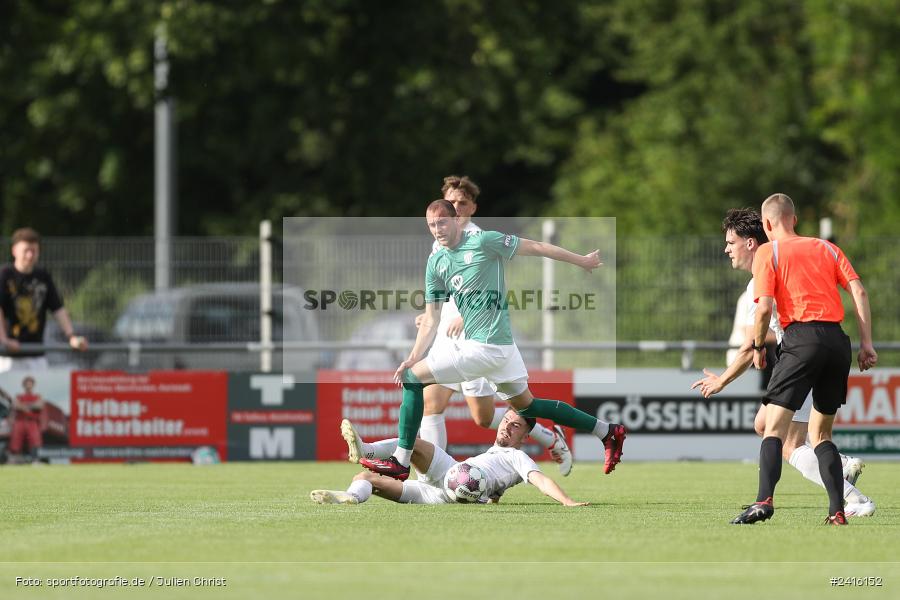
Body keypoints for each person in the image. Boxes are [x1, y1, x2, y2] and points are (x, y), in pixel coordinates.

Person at [359, 199, 626, 481]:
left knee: (413, 380)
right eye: (431, 225)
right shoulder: (436, 262)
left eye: (442, 222)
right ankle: (607, 431)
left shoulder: (484, 241)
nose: (437, 229)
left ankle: (401, 461)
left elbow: (535, 247)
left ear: (456, 219)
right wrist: (413, 356)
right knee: (528, 407)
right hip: (497, 349)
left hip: (486, 347)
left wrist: (581, 260)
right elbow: (431, 318)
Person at [691, 208, 874, 517]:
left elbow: (751, 344)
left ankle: (847, 496)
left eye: (731, 242)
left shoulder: (765, 270)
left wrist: (723, 378)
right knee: (771, 427)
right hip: (829, 344)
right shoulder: (801, 255)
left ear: (751, 242)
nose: (726, 250)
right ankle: (840, 474)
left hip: (800, 354)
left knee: (785, 438)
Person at [416, 175, 572, 475]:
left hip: (478, 338)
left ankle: (548, 436)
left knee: (484, 418)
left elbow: (491, 284)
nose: (456, 208)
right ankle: (431, 478)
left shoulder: (479, 239)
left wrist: (469, 313)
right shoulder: (440, 241)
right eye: (451, 203)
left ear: (473, 207)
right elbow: (447, 286)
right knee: (431, 403)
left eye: (462, 203)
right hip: (447, 340)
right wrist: (432, 315)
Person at [310, 413, 587, 506]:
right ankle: (349, 497)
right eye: (506, 420)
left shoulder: (517, 456)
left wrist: (567, 501)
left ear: (525, 436)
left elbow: (540, 480)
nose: (506, 426)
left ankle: (365, 448)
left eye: (516, 426)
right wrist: (492, 499)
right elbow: (497, 488)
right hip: (447, 484)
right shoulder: (495, 456)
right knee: (364, 478)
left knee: (417, 445)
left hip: (452, 484)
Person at [0, 227, 88, 372]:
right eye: (26, 250)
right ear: (14, 250)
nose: (30, 255)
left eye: (34, 250)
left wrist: (71, 336)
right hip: (8, 357)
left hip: (36, 355)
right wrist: (4, 340)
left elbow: (58, 309)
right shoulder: (5, 275)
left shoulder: (43, 277)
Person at [8, 376, 44, 463]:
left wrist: (23, 406)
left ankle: (35, 460)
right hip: (20, 421)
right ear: (23, 385)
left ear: (33, 385)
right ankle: (14, 459)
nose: (28, 385)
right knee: (16, 439)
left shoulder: (37, 396)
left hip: (32, 421)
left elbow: (39, 405)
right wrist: (30, 406)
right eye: (27, 383)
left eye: (30, 383)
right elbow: (16, 405)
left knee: (35, 440)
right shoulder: (19, 396)